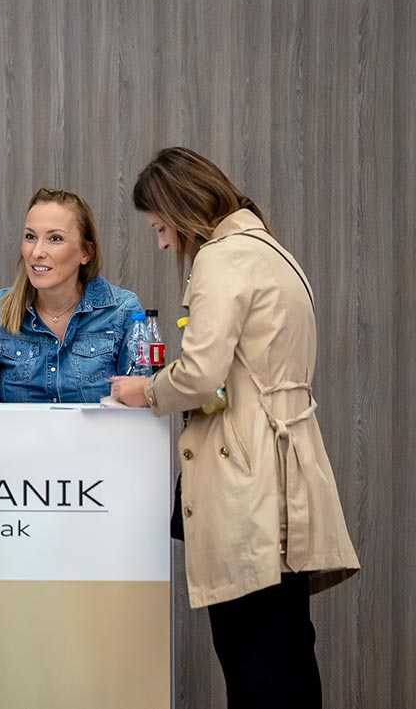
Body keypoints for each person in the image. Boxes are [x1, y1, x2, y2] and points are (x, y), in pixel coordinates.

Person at [109, 147, 359, 709]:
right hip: (283, 473)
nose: (163, 243)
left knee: (254, 660)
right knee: (285, 650)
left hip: (245, 478)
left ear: (182, 210)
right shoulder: (272, 252)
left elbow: (201, 375)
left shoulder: (221, 260)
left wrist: (145, 390)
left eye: (161, 227)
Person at [0, 188, 143, 403]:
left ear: (86, 252)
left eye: (55, 238)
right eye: (30, 237)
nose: (36, 252)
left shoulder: (122, 312)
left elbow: (142, 405)